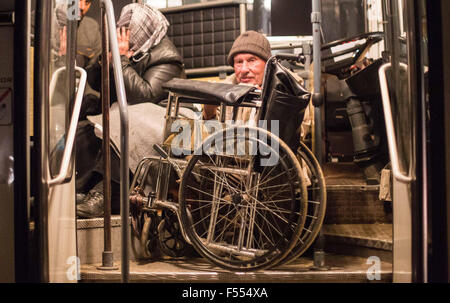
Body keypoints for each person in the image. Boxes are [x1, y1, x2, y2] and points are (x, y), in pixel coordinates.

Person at [76, 3, 188, 218]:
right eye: (121, 30)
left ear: (142, 29)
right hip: (135, 116)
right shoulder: (131, 51)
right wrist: (103, 62)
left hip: (168, 121)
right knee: (86, 129)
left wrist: (121, 61)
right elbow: (97, 84)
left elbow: (144, 96)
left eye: (128, 30)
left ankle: (105, 196)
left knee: (121, 124)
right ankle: (85, 187)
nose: (123, 36)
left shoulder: (167, 58)